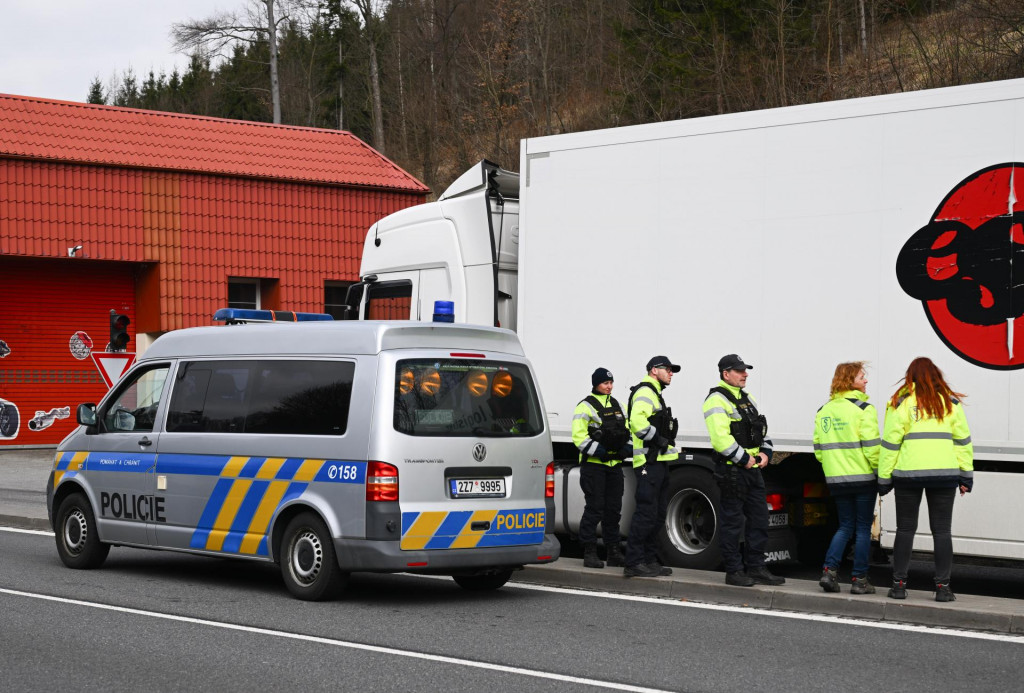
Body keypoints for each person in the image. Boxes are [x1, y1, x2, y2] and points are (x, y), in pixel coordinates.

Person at [879, 357, 973, 602]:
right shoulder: (951, 403)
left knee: (905, 529)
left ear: (910, 377)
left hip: (908, 476)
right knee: (942, 531)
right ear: (936, 375)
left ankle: (899, 585)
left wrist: (884, 478)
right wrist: (966, 475)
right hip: (944, 476)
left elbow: (890, 444)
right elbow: (963, 442)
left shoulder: (900, 403)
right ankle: (943, 588)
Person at [703, 354, 785, 587]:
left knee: (759, 519)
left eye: (745, 370)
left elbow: (761, 431)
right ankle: (734, 570)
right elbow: (721, 440)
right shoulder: (716, 400)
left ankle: (757, 567)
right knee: (732, 523)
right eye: (739, 371)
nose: (745, 374)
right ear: (725, 374)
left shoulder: (748, 398)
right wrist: (745, 459)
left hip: (752, 470)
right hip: (733, 470)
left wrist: (765, 454)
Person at [813, 362, 880, 595]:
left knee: (844, 526)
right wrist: (881, 472)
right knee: (862, 529)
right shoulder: (864, 409)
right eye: (862, 376)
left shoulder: (824, 410)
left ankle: (829, 572)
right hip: (863, 479)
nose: (866, 380)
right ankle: (859, 580)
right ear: (850, 379)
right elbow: (872, 448)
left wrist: (835, 467)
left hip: (836, 480)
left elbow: (819, 450)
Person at [622, 356, 681, 578]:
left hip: (659, 462)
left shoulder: (655, 394)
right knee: (646, 513)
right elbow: (637, 423)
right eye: (667, 369)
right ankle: (634, 562)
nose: (671, 373)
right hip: (648, 462)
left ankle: (648, 560)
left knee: (657, 514)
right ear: (654, 371)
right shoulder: (645, 392)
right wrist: (659, 439)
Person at [572, 367, 632, 569]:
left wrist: (626, 449)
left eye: (611, 383)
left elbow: (628, 430)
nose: (609, 386)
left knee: (613, 511)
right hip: (594, 467)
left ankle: (613, 551)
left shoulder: (618, 405)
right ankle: (589, 552)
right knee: (594, 509)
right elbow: (579, 437)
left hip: (614, 467)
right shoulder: (585, 406)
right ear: (596, 383)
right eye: (606, 383)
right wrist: (600, 452)